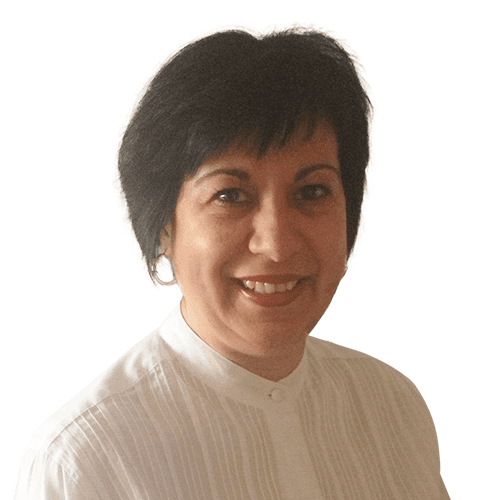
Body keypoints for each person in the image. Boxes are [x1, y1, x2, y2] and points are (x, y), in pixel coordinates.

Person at [14, 28, 450, 499]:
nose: (277, 244)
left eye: (312, 192)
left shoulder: (392, 406)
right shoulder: (85, 461)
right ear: (163, 227)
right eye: (230, 195)